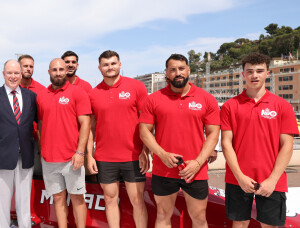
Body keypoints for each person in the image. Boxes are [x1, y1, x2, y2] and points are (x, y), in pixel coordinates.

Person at [139, 53, 220, 228]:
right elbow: (144, 131)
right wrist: (162, 155)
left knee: (199, 218)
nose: (178, 73)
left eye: (181, 69)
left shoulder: (206, 99)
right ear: (166, 73)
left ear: (188, 70)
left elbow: (213, 134)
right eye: (173, 70)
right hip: (164, 168)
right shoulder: (153, 99)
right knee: (163, 215)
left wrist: (198, 163)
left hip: (195, 169)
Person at [221, 52, 299, 228]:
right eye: (249, 71)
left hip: (273, 179)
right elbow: (226, 143)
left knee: (269, 225)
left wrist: (272, 180)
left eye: (259, 71)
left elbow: (287, 145)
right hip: (237, 178)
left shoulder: (282, 106)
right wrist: (240, 177)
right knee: (239, 224)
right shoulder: (229, 106)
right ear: (243, 74)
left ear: (267, 73)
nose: (254, 75)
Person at [87, 50, 149, 228]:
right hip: (105, 157)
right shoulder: (93, 93)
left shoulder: (136, 87)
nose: (110, 67)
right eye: (105, 65)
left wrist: (145, 151)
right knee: (109, 199)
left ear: (120, 64)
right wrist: (90, 155)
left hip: (133, 156)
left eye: (113, 63)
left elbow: (147, 122)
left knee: (137, 201)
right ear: (100, 68)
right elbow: (90, 127)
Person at [37, 58, 91, 228]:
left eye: (61, 69)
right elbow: (40, 124)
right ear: (49, 72)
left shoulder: (77, 93)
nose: (58, 72)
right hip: (49, 160)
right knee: (58, 198)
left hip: (72, 159)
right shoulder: (41, 96)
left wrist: (80, 152)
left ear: (66, 71)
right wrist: (42, 150)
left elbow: (86, 124)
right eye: (55, 70)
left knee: (77, 198)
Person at [0, 60, 37, 228]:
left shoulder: (31, 97)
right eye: (9, 73)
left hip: (26, 155)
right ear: (3, 74)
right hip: (3, 156)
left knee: (24, 200)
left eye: (16, 73)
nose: (13, 77)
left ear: (21, 75)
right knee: (2, 201)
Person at [18, 54, 47, 225]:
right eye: (25, 66)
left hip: (34, 140)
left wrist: (42, 143)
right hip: (14, 142)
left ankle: (35, 213)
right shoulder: (10, 89)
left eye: (31, 66)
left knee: (35, 177)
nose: (28, 69)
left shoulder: (41, 90)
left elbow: (43, 118)